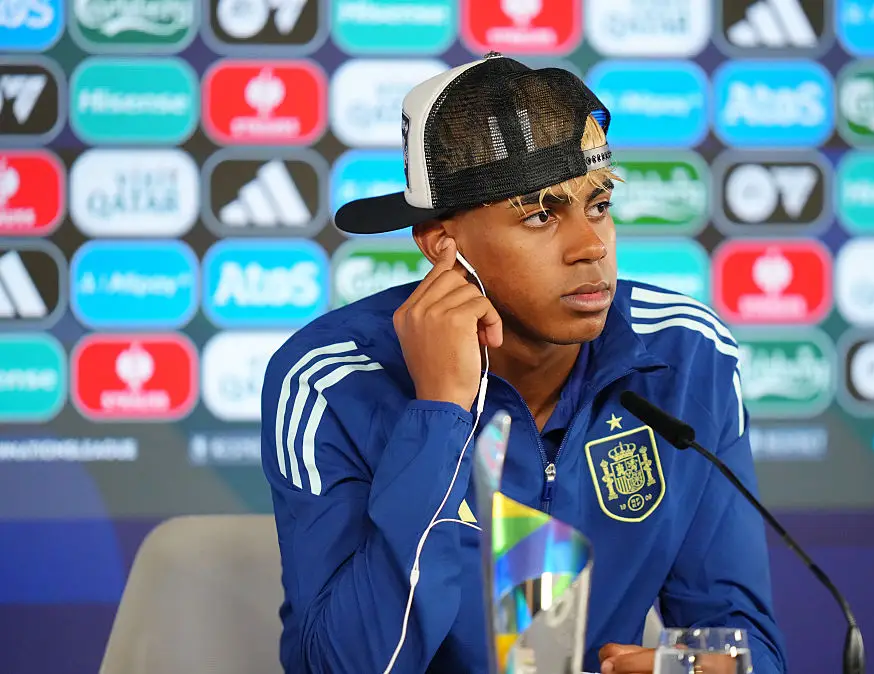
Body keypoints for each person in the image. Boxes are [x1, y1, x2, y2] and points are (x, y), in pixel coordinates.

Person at [260, 53, 787, 674]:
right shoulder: (330, 380)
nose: (591, 246)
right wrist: (440, 415)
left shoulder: (686, 356)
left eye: (597, 204)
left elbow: (742, 647)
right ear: (440, 242)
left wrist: (695, 670)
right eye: (540, 215)